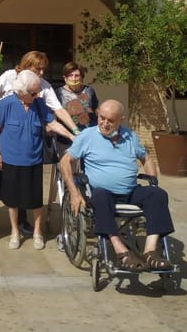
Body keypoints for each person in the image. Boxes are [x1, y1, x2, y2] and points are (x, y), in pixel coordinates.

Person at [60, 99, 175, 270]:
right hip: (101, 194)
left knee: (158, 195)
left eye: (111, 120)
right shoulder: (88, 136)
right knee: (100, 195)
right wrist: (74, 193)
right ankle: (121, 251)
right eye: (102, 118)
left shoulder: (131, 136)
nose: (105, 123)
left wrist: (153, 182)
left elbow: (147, 159)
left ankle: (150, 251)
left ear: (121, 119)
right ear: (98, 114)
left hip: (129, 192)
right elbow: (64, 162)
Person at [0, 50, 79, 234]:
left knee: (22, 181)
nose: (41, 73)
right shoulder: (10, 76)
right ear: (27, 65)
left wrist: (75, 131)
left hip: (22, 141)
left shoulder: (44, 87)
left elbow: (57, 111)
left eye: (43, 69)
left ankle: (22, 223)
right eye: (38, 68)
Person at [0, 69, 70, 250]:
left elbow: (53, 123)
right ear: (21, 91)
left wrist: (72, 135)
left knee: (35, 201)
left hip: (33, 159)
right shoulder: (7, 104)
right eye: (33, 92)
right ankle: (15, 232)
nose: (37, 95)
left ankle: (37, 232)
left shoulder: (39, 104)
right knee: (12, 200)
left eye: (38, 92)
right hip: (11, 159)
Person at [57, 61, 99, 131]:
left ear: (82, 78)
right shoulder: (59, 93)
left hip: (89, 132)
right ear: (65, 77)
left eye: (77, 75)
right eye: (70, 75)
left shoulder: (89, 90)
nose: (74, 79)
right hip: (67, 136)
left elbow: (96, 110)